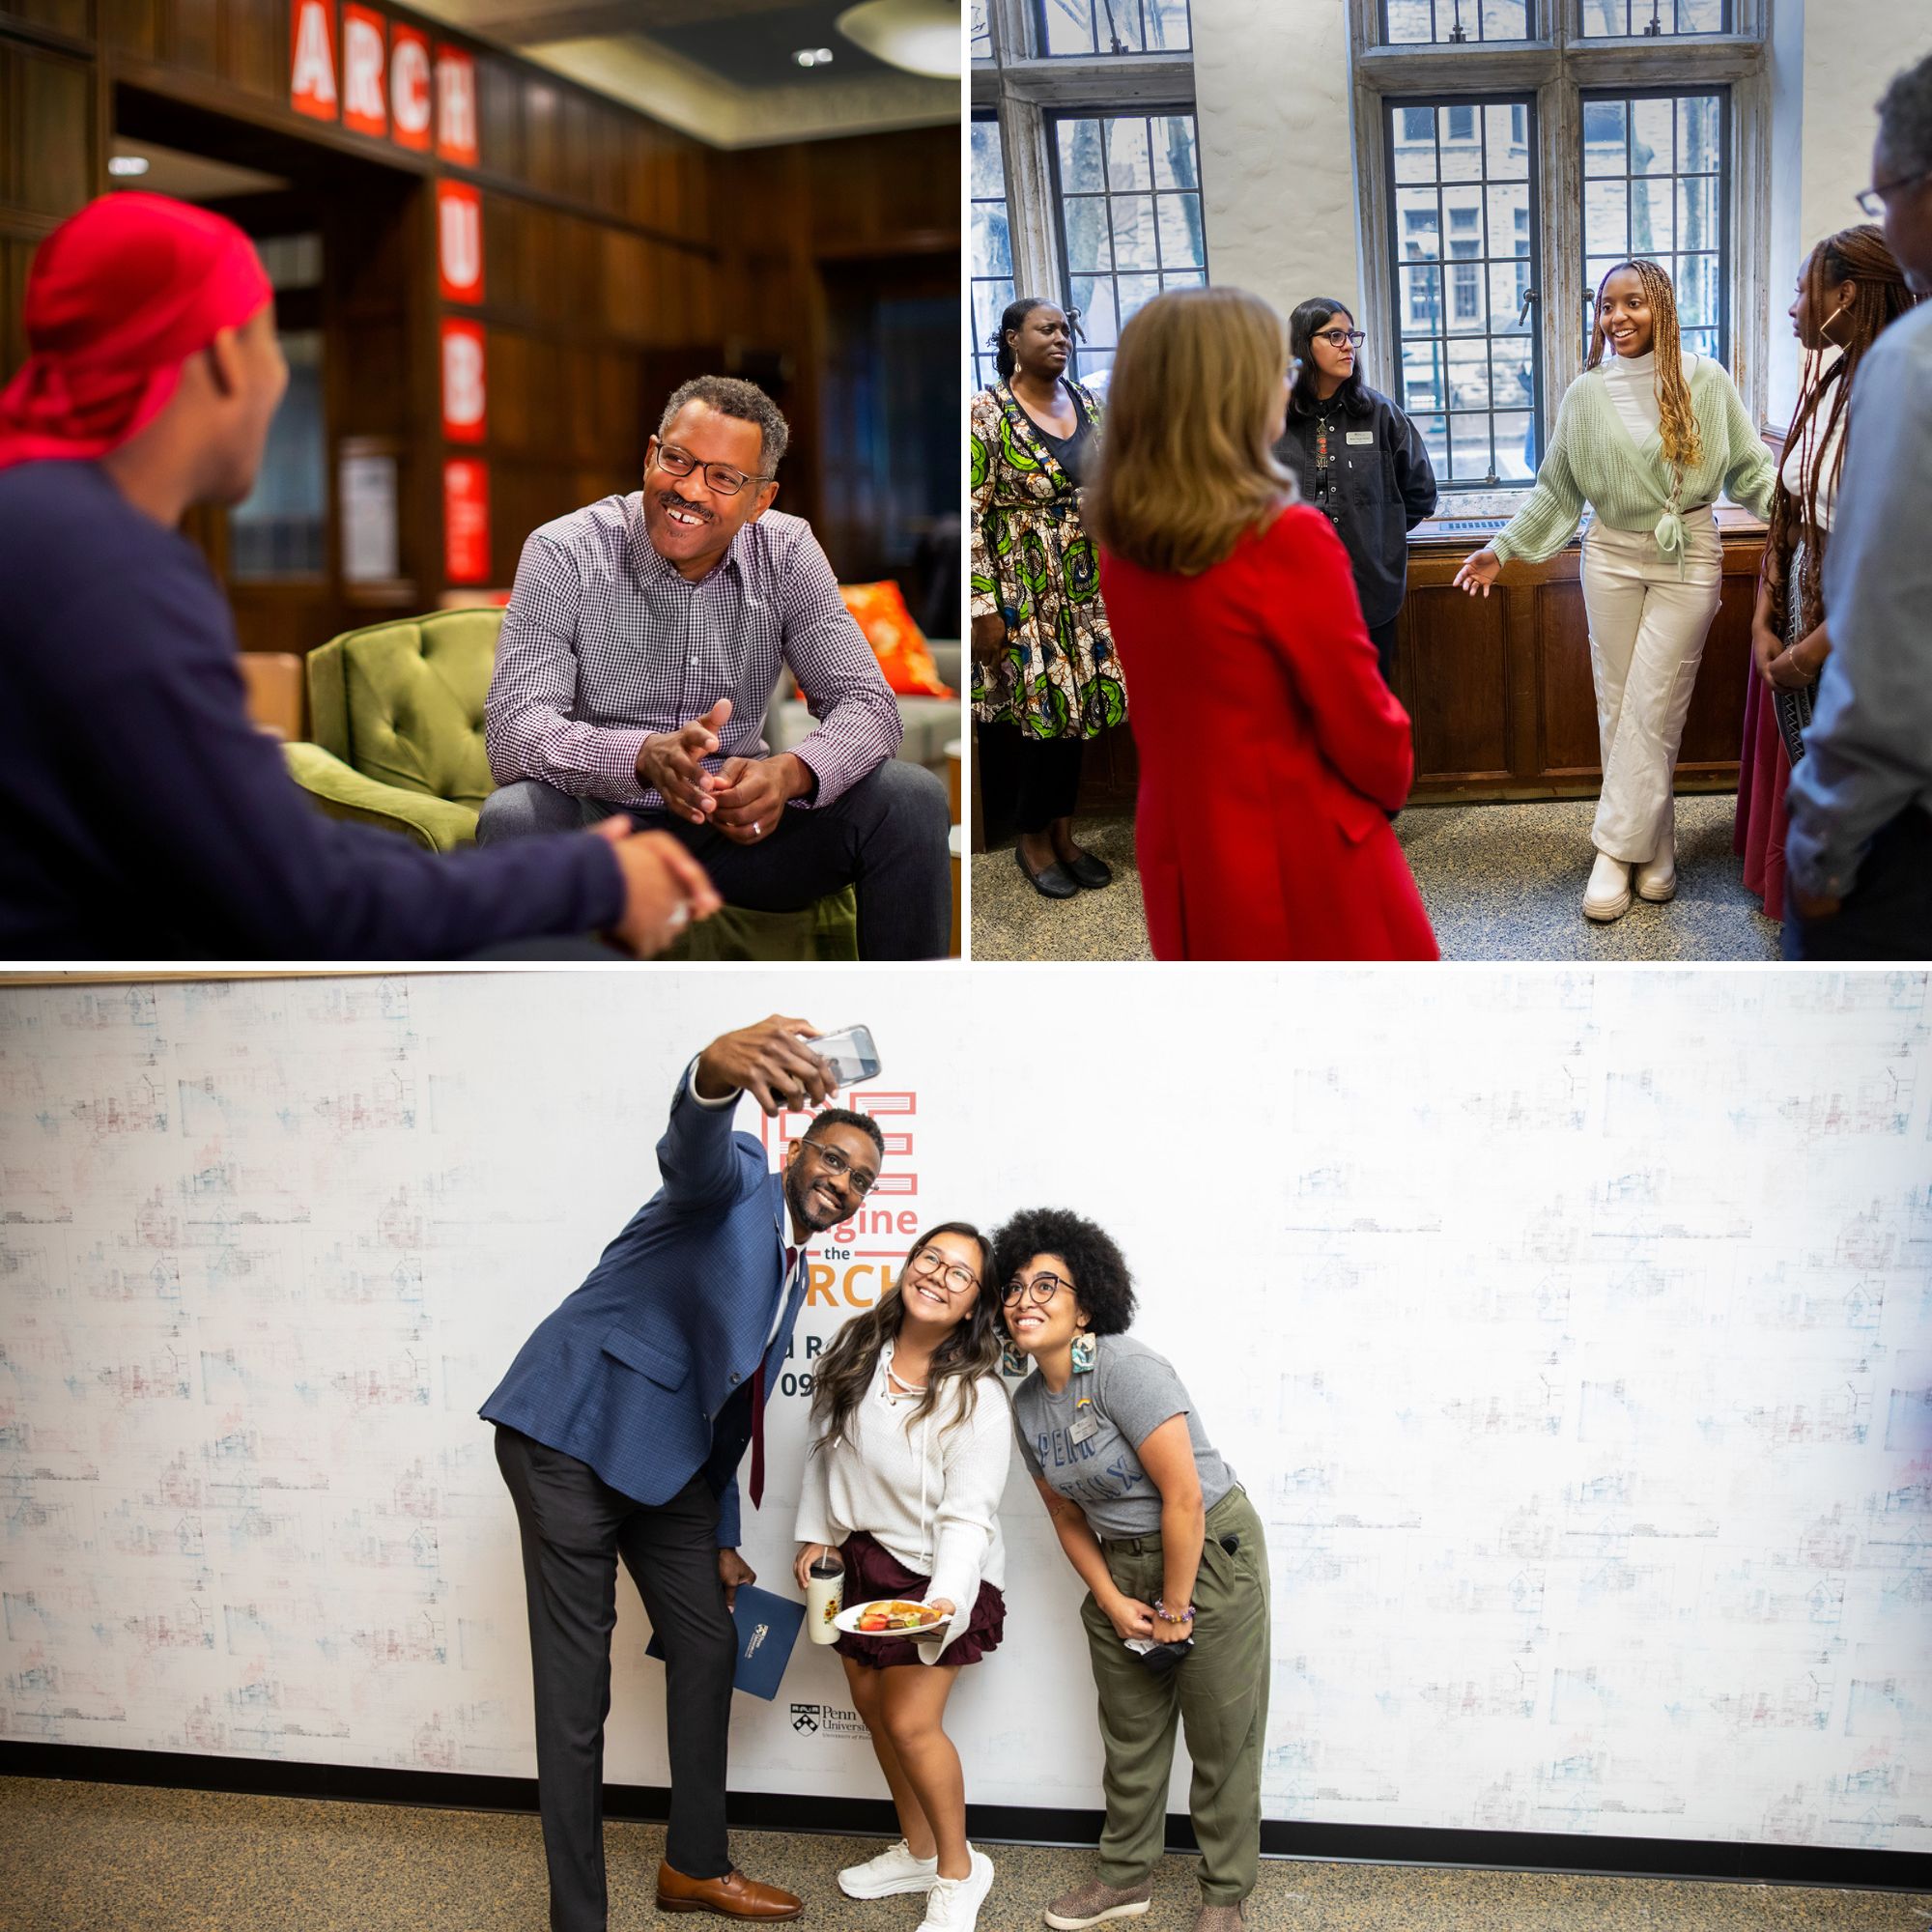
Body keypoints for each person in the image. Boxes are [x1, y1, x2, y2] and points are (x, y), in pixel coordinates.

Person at [0, 192, 718, 959]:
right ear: (220, 356)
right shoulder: (107, 568)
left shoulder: (46, 526)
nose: (279, 377)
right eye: (271, 339)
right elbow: (293, 898)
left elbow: (245, 844)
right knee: (562, 960)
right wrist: (590, 879)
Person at [482, 1016, 885, 1930]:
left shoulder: (795, 1275)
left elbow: (734, 1410)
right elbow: (690, 1143)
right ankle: (580, 1921)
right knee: (579, 1692)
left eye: (861, 1180)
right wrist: (713, 1071)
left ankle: (694, 1867)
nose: (843, 1184)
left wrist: (724, 1539)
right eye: (832, 1160)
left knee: (707, 1643)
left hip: (662, 1472)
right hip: (570, 1442)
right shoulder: (737, 1176)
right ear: (797, 1152)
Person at [478, 375, 951, 959]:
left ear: (760, 501)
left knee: (910, 798)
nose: (692, 490)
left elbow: (867, 704)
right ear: (651, 456)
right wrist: (643, 757)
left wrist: (789, 774)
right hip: (608, 823)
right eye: (678, 460)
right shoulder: (564, 551)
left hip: (745, 833)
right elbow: (513, 731)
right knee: (515, 817)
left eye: (725, 478)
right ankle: (546, 1042)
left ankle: (906, 1026)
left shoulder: (787, 550)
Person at [1085, 286, 1436, 961]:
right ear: (1229, 392)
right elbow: (1367, 728)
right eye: (1270, 367)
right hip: (1293, 837)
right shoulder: (1282, 536)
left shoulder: (1124, 540)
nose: (1286, 380)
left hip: (1183, 834)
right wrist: (1387, 785)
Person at [1454, 259, 1776, 923]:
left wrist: (1808, 518)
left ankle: (1611, 849)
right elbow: (1555, 491)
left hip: (1688, 552)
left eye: (1633, 303)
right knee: (1619, 700)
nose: (1617, 317)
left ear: (1661, 306)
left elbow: (1749, 470)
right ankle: (1654, 846)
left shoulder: (1705, 380)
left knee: (1657, 697)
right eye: (1606, 307)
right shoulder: (1586, 393)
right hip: (1608, 555)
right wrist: (1502, 547)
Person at [992, 1208, 1268, 1932]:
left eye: (1047, 1285)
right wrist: (1113, 1600)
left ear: (1087, 1305)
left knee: (1220, 1738)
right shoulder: (1026, 1405)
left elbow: (1183, 1500)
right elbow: (1063, 1514)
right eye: (1015, 1286)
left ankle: (1224, 1895)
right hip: (1122, 1565)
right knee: (1132, 1736)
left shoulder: (1126, 1368)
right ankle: (1125, 1880)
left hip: (1207, 1553)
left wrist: (1177, 1608)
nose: (1025, 1299)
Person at [791, 1223, 1009, 1932]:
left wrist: (944, 1602)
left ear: (975, 1304)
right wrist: (816, 1534)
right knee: (877, 1714)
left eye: (960, 1274)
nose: (939, 1277)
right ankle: (918, 1851)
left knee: (914, 1723)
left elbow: (968, 1518)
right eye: (931, 1260)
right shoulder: (859, 1346)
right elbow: (824, 1451)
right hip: (862, 1564)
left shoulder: (976, 1396)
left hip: (940, 1573)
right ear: (908, 1265)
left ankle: (958, 1871)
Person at [1784, 51, 1932, 959]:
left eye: (1883, 198)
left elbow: (1888, 648)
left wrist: (1820, 855)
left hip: (1906, 827)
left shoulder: (1912, 366)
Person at [1734, 226, 1920, 920]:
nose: (1790, 308)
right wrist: (1765, 612)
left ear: (1846, 294)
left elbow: (1904, 563)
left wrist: (1815, 647)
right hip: (1802, 597)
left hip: (1854, 626)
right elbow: (1791, 506)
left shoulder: (1896, 397)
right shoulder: (1836, 378)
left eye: (1800, 291)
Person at [969, 298, 1122, 900]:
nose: (1061, 337)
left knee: (1080, 711)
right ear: (1011, 338)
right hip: (1023, 586)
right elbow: (973, 513)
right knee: (1041, 714)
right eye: (1046, 328)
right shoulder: (986, 412)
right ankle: (1031, 839)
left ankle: (1064, 831)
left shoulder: (1088, 403)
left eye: (1067, 329)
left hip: (1086, 583)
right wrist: (981, 605)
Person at [1270, 297, 1437, 684]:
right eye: (1334, 336)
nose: (1348, 345)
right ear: (1302, 345)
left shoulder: (1382, 416)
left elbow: (1420, 495)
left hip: (1369, 598)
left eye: (1351, 335)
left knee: (1366, 707)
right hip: (1292, 601)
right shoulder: (1273, 420)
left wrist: (1379, 535)